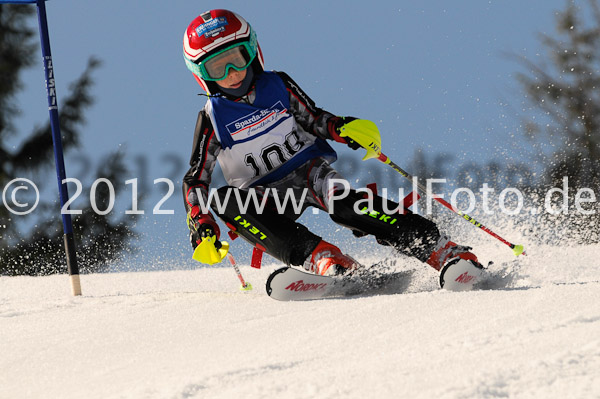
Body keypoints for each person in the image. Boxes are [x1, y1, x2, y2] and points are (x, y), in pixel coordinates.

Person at [181, 9, 482, 287]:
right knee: (224, 201)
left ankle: (440, 249)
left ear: (253, 51)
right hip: (264, 195)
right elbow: (196, 179)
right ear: (202, 75)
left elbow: (313, 119)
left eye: (238, 57)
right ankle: (324, 258)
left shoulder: (278, 86)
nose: (233, 72)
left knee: (345, 203)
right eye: (218, 68)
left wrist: (343, 128)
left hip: (309, 173)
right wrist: (201, 221)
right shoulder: (213, 119)